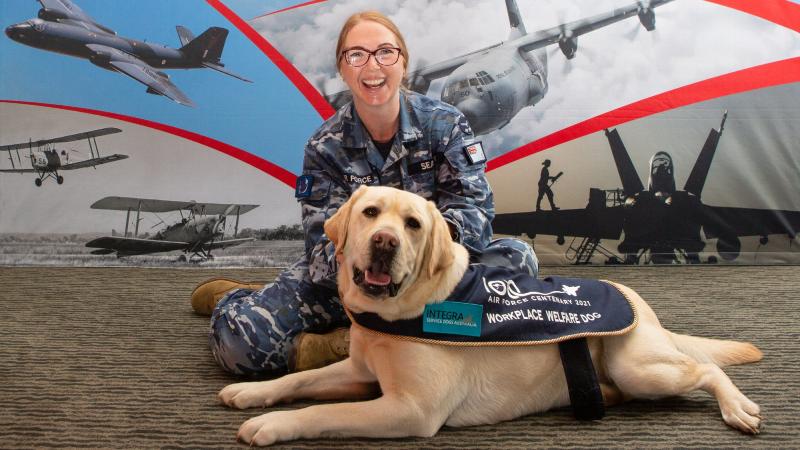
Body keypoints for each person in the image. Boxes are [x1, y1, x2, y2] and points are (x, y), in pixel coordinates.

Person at [191, 11, 538, 377]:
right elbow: (322, 247)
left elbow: (474, 213)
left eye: (385, 53)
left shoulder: (446, 124)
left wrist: (414, 263)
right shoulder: (325, 147)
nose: (372, 66)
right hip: (352, 285)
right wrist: (371, 267)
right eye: (356, 55)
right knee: (242, 345)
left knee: (518, 264)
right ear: (344, 69)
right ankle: (311, 334)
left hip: (431, 280)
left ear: (403, 63)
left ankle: (373, 342)